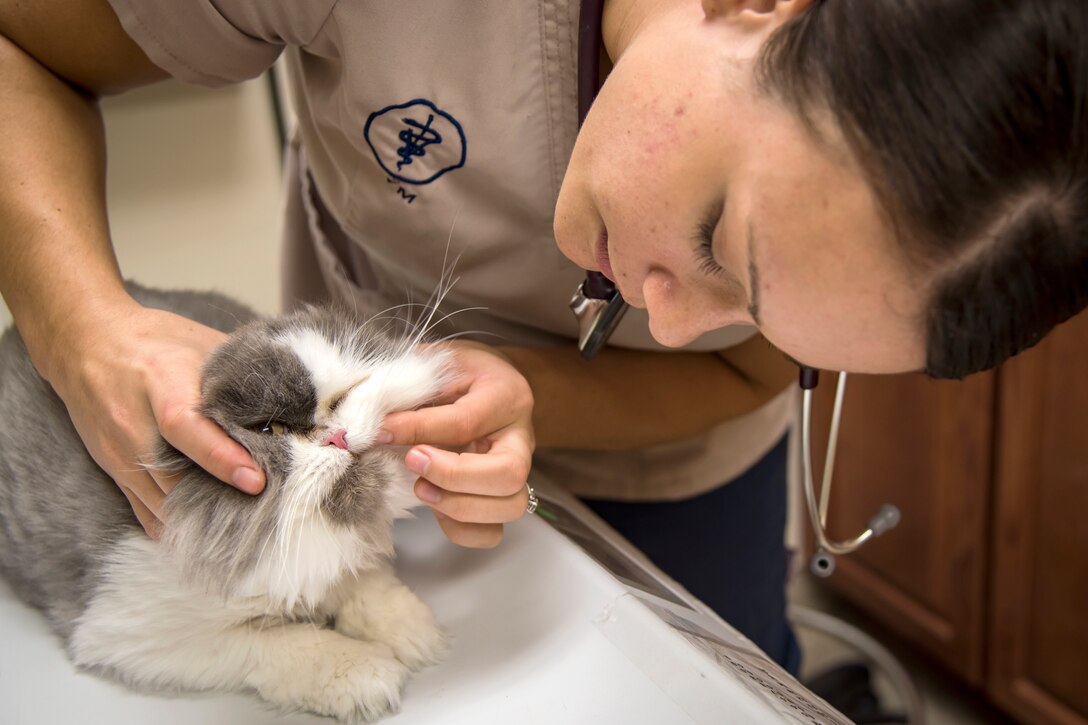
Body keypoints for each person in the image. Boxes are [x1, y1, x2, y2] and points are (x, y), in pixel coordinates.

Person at [0, 0, 1083, 677]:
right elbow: (24, 45)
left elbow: (745, 369)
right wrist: (81, 319)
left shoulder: (732, 319)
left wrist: (535, 390)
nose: (668, 322)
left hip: (687, 476)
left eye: (763, 307)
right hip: (344, 476)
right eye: (716, 235)